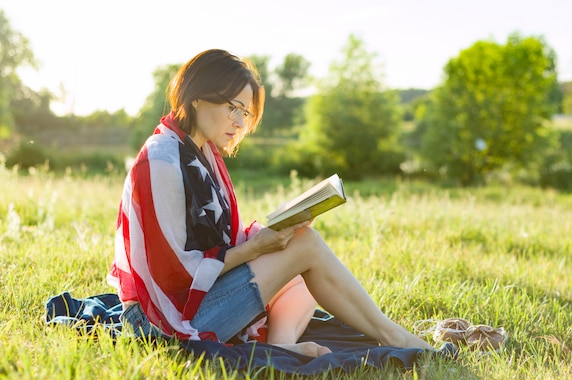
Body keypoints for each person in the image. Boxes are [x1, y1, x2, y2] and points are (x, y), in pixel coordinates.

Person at [107, 49, 441, 358]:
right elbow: (175, 273)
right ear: (196, 98)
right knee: (306, 246)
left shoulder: (201, 152)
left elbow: (216, 243)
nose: (239, 123)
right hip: (162, 321)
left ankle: (281, 347)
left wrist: (271, 237)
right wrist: (256, 249)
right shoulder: (162, 160)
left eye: (245, 113)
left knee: (299, 246)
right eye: (232, 108)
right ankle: (397, 339)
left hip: (190, 302)